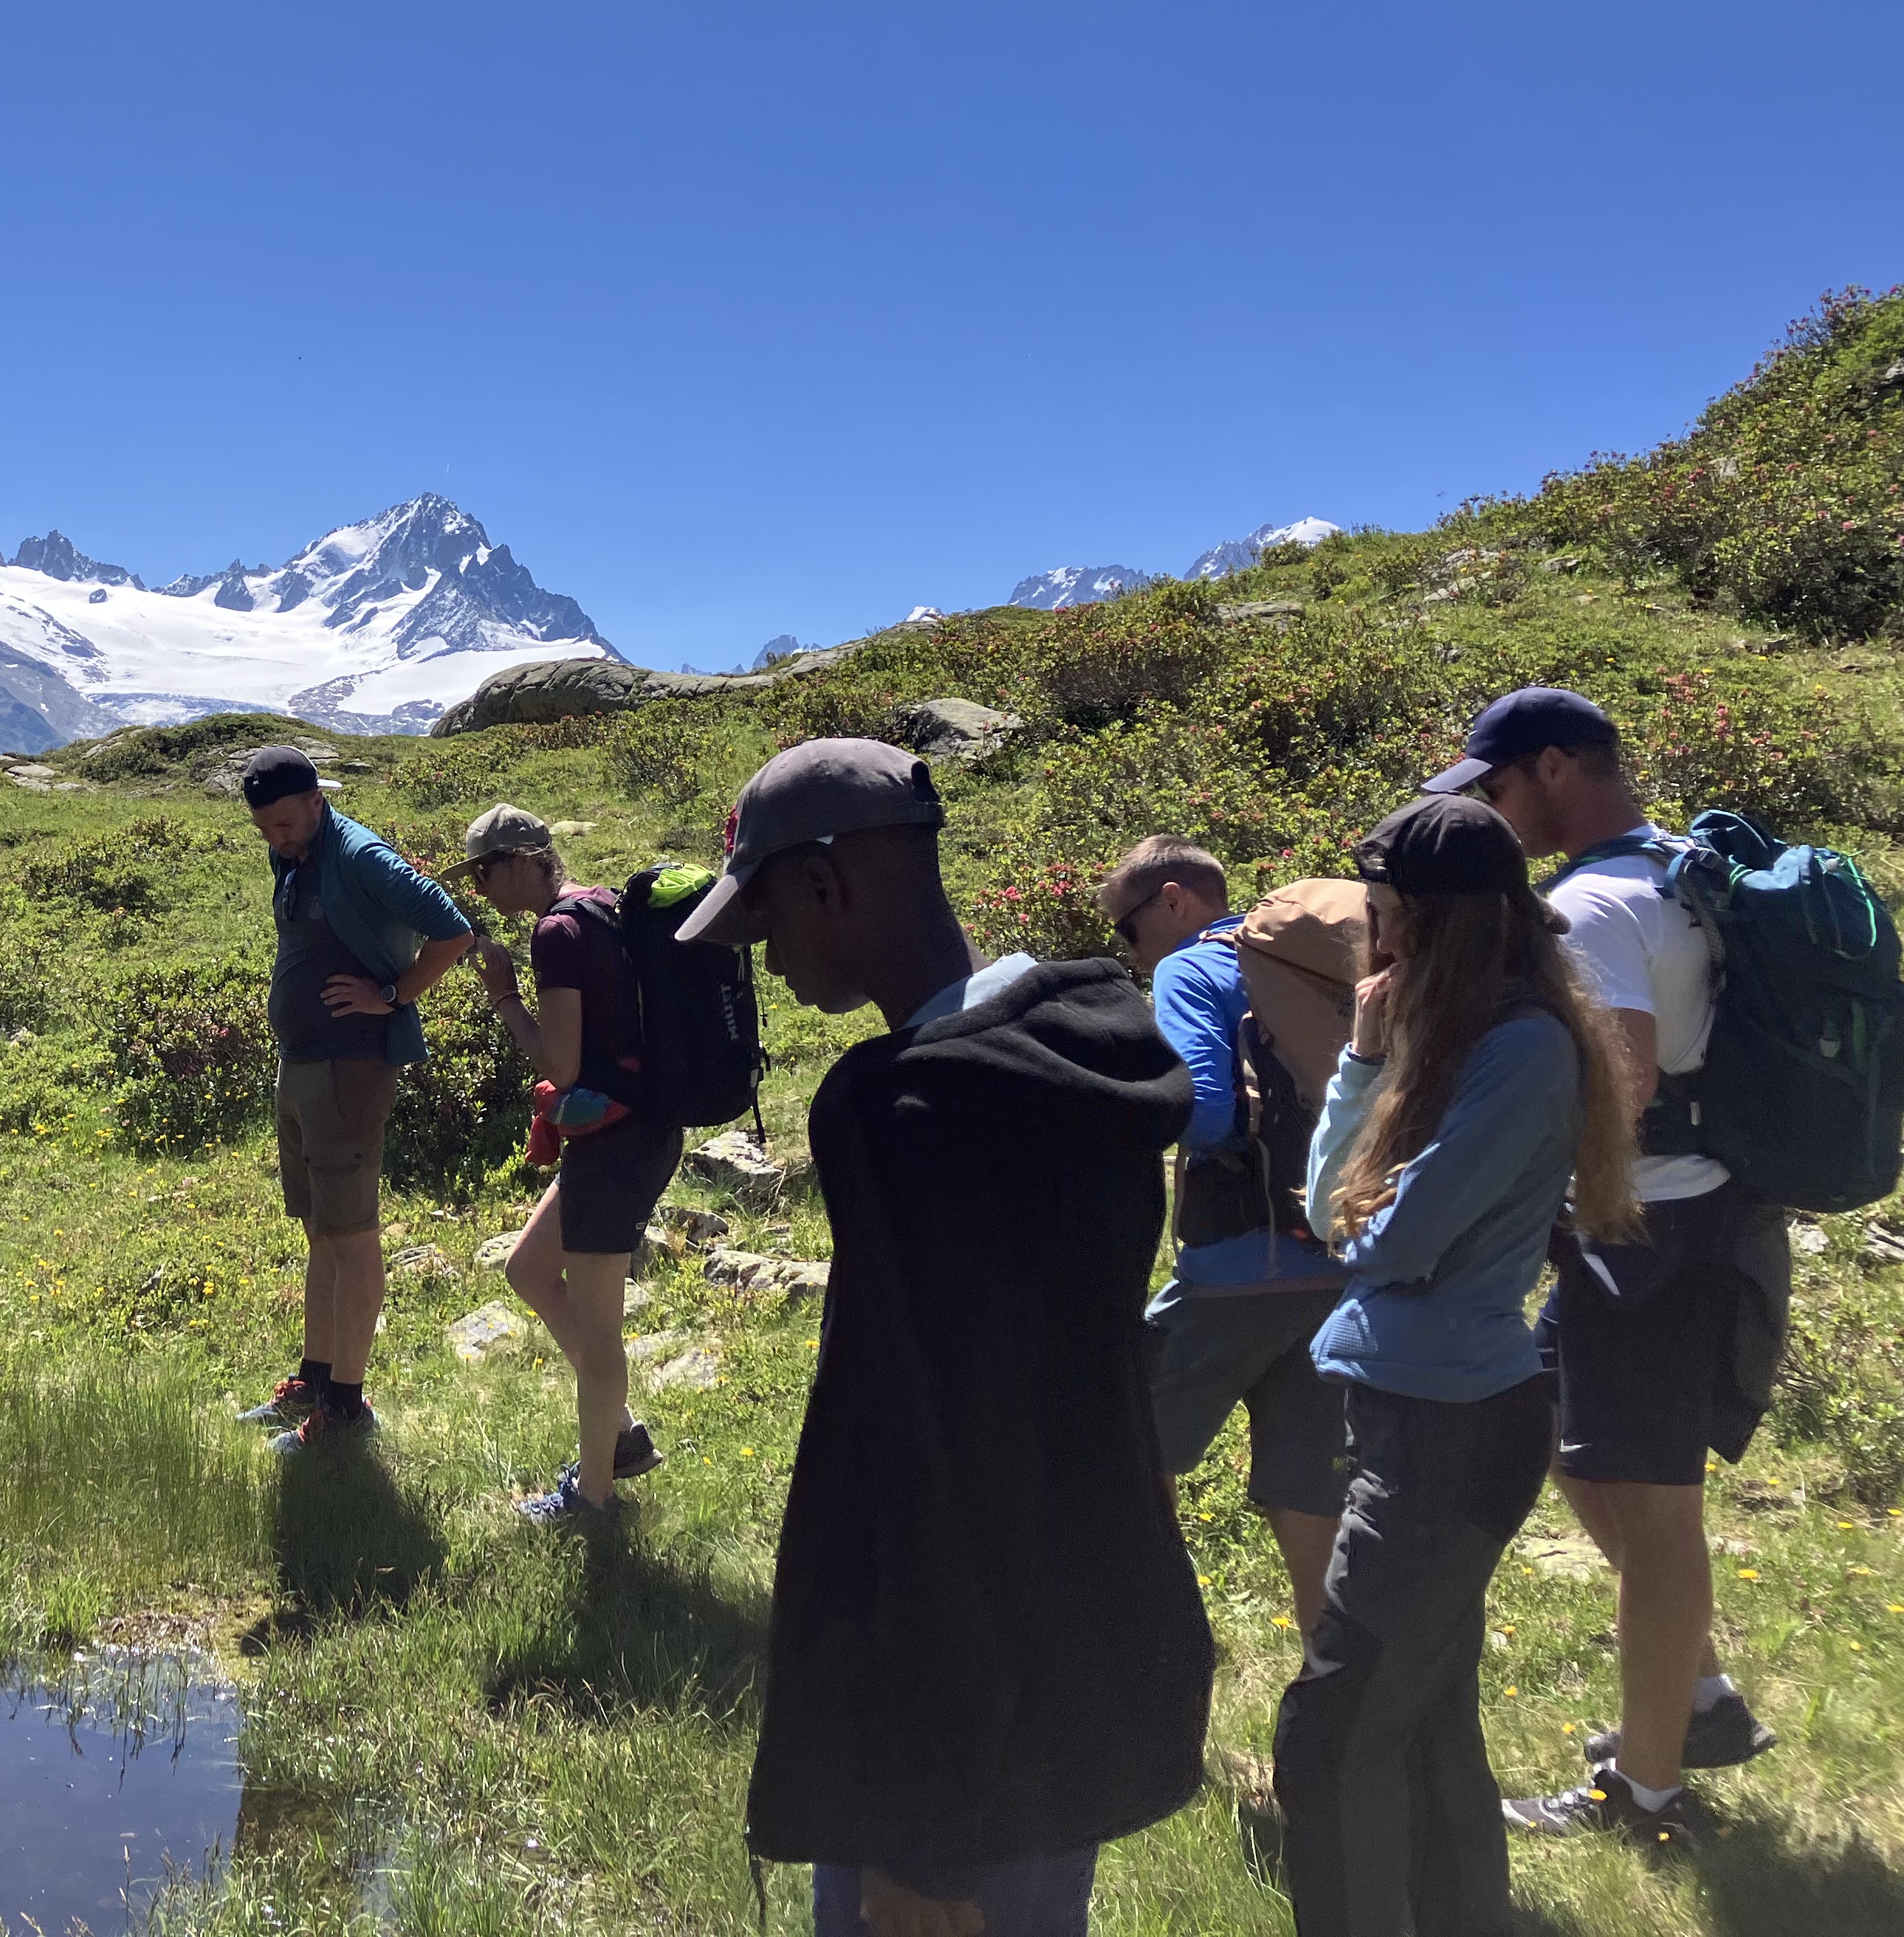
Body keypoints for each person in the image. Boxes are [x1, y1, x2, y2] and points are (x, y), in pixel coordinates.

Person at [681, 739, 1213, 1937]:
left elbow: (933, 1478)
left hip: (946, 1752)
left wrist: (922, 1837)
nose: (763, 951)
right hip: (1064, 1665)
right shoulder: (1086, 1050)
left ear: (828, 882)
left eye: (764, 910)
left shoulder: (920, 1118)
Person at [1273, 795, 1644, 1934]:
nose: (1369, 943)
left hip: (1449, 1436)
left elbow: (1392, 1237)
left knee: (1330, 1736)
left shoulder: (1523, 1048)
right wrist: (1361, 1056)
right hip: (1416, 1415)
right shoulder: (1460, 1041)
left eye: (1379, 915)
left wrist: (1356, 1216)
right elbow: (1329, 1206)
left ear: (1429, 924)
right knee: (1423, 1722)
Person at [1426, 688, 1787, 1841]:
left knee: (1658, 1506)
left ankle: (1645, 1792)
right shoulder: (1681, 869)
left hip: (1642, 1236)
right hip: (1697, 1216)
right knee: (1576, 1446)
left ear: (1549, 769)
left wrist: (1509, 1188)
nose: (1491, 811)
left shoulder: (1586, 906)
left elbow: (1620, 1080)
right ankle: (1699, 1702)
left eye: (1494, 787)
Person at [1098, 835, 1350, 1635]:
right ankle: (1332, 1683)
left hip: (1236, 1269)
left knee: (1124, 1457)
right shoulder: (1315, 965)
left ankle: (1147, 1649)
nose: (1131, 954)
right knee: (1311, 1495)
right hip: (1340, 1260)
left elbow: (1205, 1111)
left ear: (1172, 900)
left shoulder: (1191, 969)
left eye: (1126, 930)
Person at [231, 746, 475, 1455]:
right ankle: (313, 1378)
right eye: (263, 828)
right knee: (319, 1227)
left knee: (351, 1232)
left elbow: (453, 928)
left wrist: (392, 995)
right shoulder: (295, 855)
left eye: (283, 822)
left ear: (314, 800)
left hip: (349, 1068)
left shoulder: (360, 854)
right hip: (302, 1063)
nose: (275, 837)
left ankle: (345, 1406)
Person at [456, 803, 676, 1524]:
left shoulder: (557, 932)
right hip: (629, 1129)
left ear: (522, 861)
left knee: (600, 1325)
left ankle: (595, 1498)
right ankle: (621, 1435)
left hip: (617, 1143)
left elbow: (559, 1060)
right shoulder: (600, 907)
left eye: (485, 873)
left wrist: (503, 996)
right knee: (525, 1270)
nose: (480, 889)